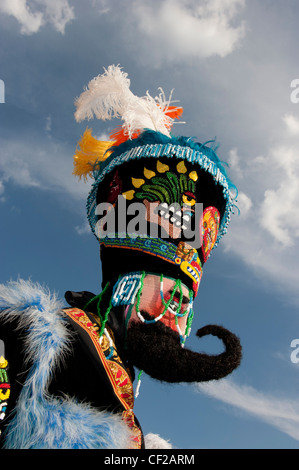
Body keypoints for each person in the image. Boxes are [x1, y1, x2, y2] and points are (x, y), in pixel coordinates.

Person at [0, 66, 242, 449]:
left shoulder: (132, 425)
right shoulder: (30, 338)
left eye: (183, 306)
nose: (172, 318)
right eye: (169, 294)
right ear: (122, 284)